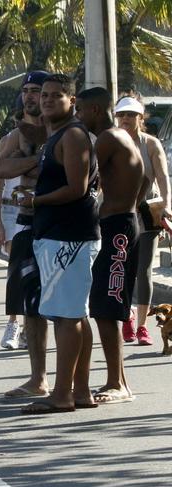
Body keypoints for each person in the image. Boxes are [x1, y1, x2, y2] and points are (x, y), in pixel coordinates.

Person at [18, 74, 100, 414]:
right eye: (44, 95)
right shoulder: (55, 136)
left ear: (72, 102)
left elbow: (77, 188)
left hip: (70, 235)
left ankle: (62, 394)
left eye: (56, 95)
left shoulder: (74, 135)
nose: (48, 100)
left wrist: (36, 201)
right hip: (58, 234)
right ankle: (80, 390)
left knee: (67, 317)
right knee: (74, 315)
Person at [76, 87, 145, 404]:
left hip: (118, 228)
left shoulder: (106, 138)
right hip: (119, 223)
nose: (77, 118)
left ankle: (118, 383)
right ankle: (119, 381)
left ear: (93, 110)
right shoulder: (121, 137)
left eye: (80, 111)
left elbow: (83, 175)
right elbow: (142, 180)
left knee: (108, 304)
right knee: (103, 303)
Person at [0, 71, 51, 398]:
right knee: (25, 291)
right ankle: (36, 373)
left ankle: (72, 381)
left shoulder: (63, 132)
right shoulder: (14, 136)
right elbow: (1, 172)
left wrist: (28, 164)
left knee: (63, 305)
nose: (32, 97)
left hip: (60, 223)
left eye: (38, 91)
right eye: (27, 91)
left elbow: (63, 170)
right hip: (20, 218)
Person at [116, 96, 171, 347]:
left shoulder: (150, 144)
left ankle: (141, 326)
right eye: (121, 115)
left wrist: (165, 206)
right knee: (122, 267)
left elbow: (162, 177)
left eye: (131, 115)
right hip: (117, 212)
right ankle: (125, 317)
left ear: (141, 117)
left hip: (147, 211)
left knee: (143, 270)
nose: (125, 119)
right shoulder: (111, 142)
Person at [0, 98, 26, 350]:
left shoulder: (49, 136)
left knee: (36, 273)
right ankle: (13, 323)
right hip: (11, 210)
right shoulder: (7, 140)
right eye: (18, 118)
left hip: (39, 208)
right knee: (15, 269)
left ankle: (29, 326)